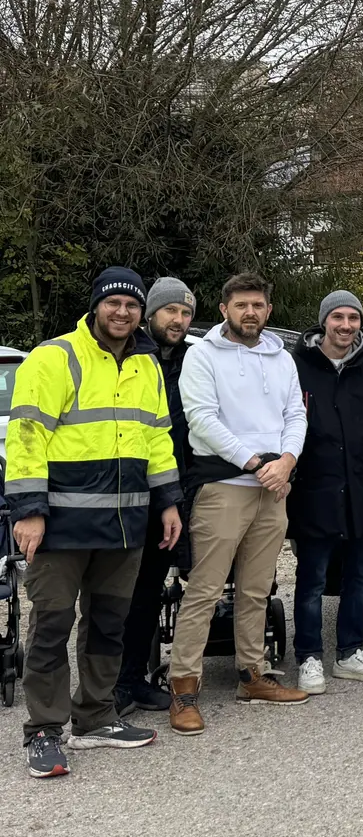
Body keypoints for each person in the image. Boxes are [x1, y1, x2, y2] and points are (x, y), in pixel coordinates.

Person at [7, 267, 180, 776]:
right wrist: (29, 511)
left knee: (109, 624)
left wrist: (168, 501)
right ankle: (43, 730)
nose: (122, 313)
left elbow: (157, 438)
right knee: (52, 625)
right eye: (113, 303)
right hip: (60, 525)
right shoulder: (55, 356)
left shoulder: (146, 364)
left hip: (125, 524)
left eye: (131, 305)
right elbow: (26, 437)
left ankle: (96, 715)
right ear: (95, 306)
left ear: (141, 312)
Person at [170, 272, 309, 737]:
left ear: (269, 311)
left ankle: (252, 675)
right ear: (225, 308)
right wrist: (255, 462)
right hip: (224, 487)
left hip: (273, 489)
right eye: (241, 304)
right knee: (205, 590)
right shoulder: (202, 356)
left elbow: (295, 414)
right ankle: (184, 687)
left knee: (257, 589)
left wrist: (287, 461)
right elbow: (202, 420)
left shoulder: (281, 357)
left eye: (258, 305)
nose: (250, 312)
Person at [287, 291, 363, 693]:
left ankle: (350, 652)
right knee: (312, 580)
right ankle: (308, 656)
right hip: (313, 489)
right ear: (324, 321)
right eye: (337, 317)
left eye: (353, 318)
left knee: (358, 578)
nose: (345, 326)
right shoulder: (296, 364)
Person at [115, 276, 194, 718]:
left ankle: (133, 679)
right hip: (126, 494)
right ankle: (106, 685)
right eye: (170, 311)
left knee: (148, 591)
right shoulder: (134, 356)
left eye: (185, 313)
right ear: (151, 314)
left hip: (172, 494)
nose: (178, 320)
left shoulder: (194, 360)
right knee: (115, 594)